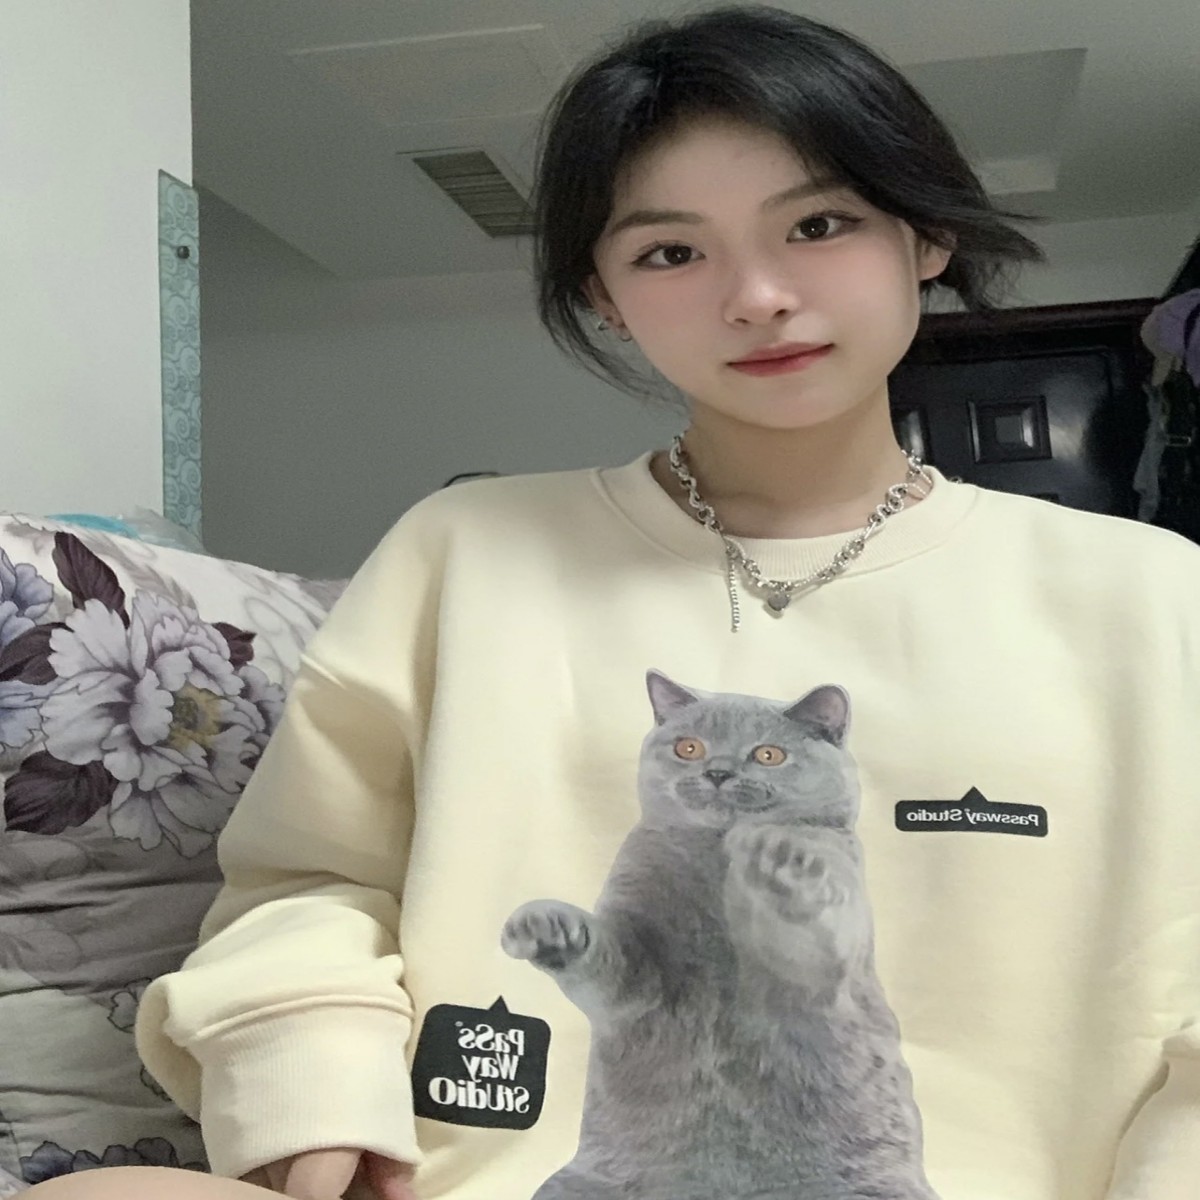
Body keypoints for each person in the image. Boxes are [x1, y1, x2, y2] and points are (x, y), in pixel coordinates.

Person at [27, 7, 1199, 1200]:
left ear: (928, 234)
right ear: (602, 292)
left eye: (819, 224)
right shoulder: (464, 552)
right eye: (671, 252)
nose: (758, 295)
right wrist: (310, 1079)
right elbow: (311, 880)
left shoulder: (1151, 597)